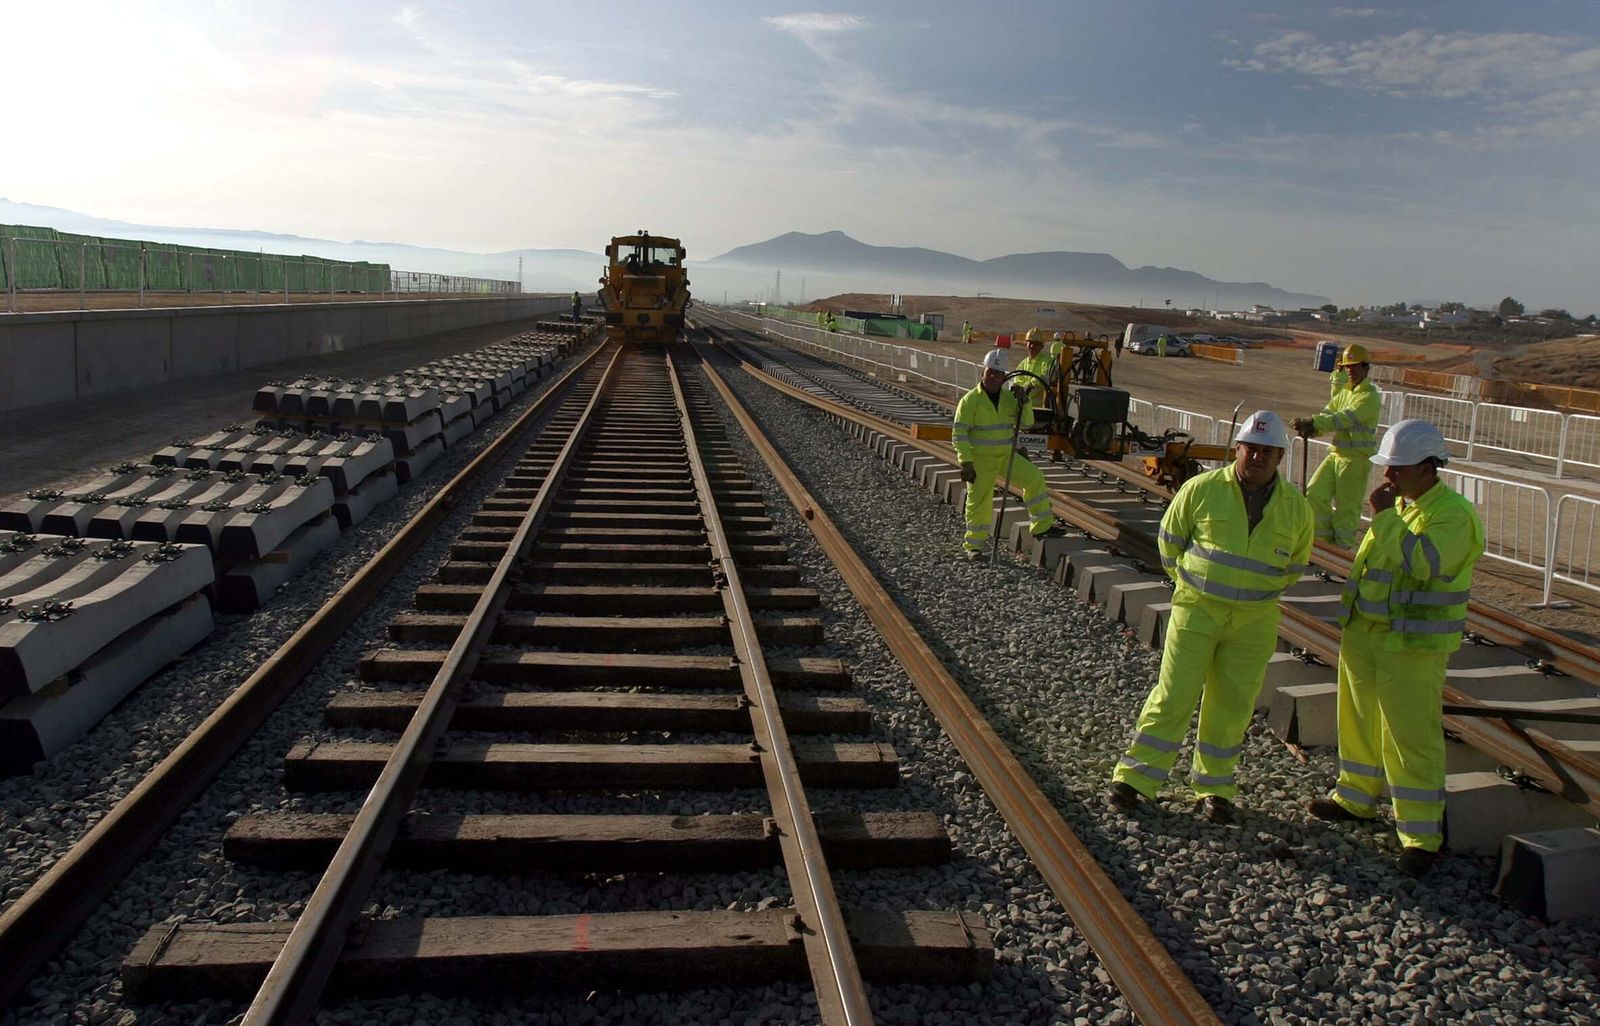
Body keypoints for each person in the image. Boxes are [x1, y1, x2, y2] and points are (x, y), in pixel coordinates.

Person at [1108, 411, 1314, 822]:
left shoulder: (1296, 508)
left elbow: (1295, 565)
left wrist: (1252, 595)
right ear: (1237, 449)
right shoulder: (1201, 490)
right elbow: (1169, 544)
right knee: (1173, 695)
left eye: (1266, 452)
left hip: (1254, 622)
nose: (1256, 457)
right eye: (1250, 448)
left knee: (1232, 706)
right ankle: (1135, 778)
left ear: (1279, 457)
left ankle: (1214, 787)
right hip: (1197, 611)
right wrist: (1193, 586)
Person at [1304, 419, 1484, 877]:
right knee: (1359, 720)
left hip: (1411, 644)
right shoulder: (1404, 506)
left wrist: (1383, 516)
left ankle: (1420, 836)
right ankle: (1356, 798)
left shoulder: (1452, 514)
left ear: (1427, 468)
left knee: (1410, 738)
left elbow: (1424, 564)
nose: (1387, 477)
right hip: (1366, 634)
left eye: (1397, 469)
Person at [952, 348, 1066, 560]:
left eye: (998, 373)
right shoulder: (969, 401)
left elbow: (1027, 422)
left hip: (1006, 457)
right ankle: (973, 546)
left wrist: (1025, 402)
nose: (993, 376)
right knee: (979, 502)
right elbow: (959, 433)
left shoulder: (1009, 398)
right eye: (990, 372)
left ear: (1004, 377)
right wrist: (965, 461)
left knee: (1034, 479)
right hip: (981, 461)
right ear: (982, 372)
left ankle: (1041, 526)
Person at [1291, 344, 1381, 549]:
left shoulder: (1370, 397)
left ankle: (1342, 548)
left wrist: (1314, 423)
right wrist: (1314, 428)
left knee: (1346, 508)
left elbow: (1343, 419)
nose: (1350, 370)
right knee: (1314, 493)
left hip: (1355, 459)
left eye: (1355, 366)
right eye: (1347, 366)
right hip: (1337, 454)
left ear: (1366, 368)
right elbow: (1328, 414)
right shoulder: (1346, 392)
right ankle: (1321, 543)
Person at [1016, 329, 1060, 407]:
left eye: (1036, 343)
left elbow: (1047, 377)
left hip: (1040, 410)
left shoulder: (1047, 361)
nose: (1032, 346)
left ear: (1041, 346)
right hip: (1022, 408)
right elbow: (1017, 382)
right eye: (1031, 342)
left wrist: (1031, 385)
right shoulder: (1023, 363)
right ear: (1026, 344)